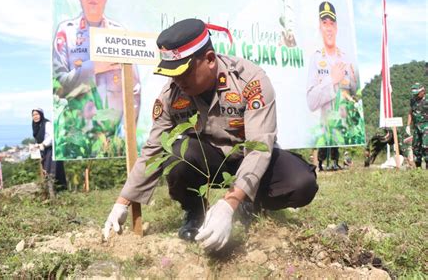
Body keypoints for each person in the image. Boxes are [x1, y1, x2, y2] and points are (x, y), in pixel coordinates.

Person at [102, 18, 318, 251]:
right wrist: (122, 202)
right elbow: (154, 149)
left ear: (210, 60)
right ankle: (195, 212)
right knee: (177, 157)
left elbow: (258, 148)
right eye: (172, 73)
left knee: (301, 183)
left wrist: (231, 201)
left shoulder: (251, 82)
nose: (177, 81)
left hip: (253, 159)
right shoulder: (171, 95)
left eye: (184, 72)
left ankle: (248, 202)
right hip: (211, 160)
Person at [52, 0, 141, 157]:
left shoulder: (119, 34)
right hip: (77, 139)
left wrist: (128, 134)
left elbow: (134, 88)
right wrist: (94, 67)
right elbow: (59, 86)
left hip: (113, 140)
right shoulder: (65, 32)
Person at [306, 1, 358, 145]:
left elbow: (356, 97)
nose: (329, 28)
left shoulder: (348, 59)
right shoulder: (316, 58)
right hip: (327, 130)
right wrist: (332, 80)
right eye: (325, 23)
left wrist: (354, 87)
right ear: (320, 27)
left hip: (348, 130)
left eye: (332, 24)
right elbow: (311, 102)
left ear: (336, 27)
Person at [32, 108, 67, 191]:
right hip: (44, 151)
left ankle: (56, 191)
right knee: (46, 170)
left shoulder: (47, 124)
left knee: (51, 170)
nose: (35, 116)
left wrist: (44, 144)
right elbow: (39, 139)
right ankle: (50, 191)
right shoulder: (36, 126)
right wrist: (37, 145)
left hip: (51, 151)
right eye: (33, 115)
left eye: (37, 114)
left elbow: (52, 136)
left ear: (41, 114)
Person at [406, 83, 427, 168]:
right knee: (416, 147)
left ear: (423, 91)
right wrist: (408, 125)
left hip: (426, 126)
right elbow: (411, 112)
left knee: (426, 147)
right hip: (416, 127)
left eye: (417, 93)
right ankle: (418, 168)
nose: (416, 95)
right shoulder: (413, 100)